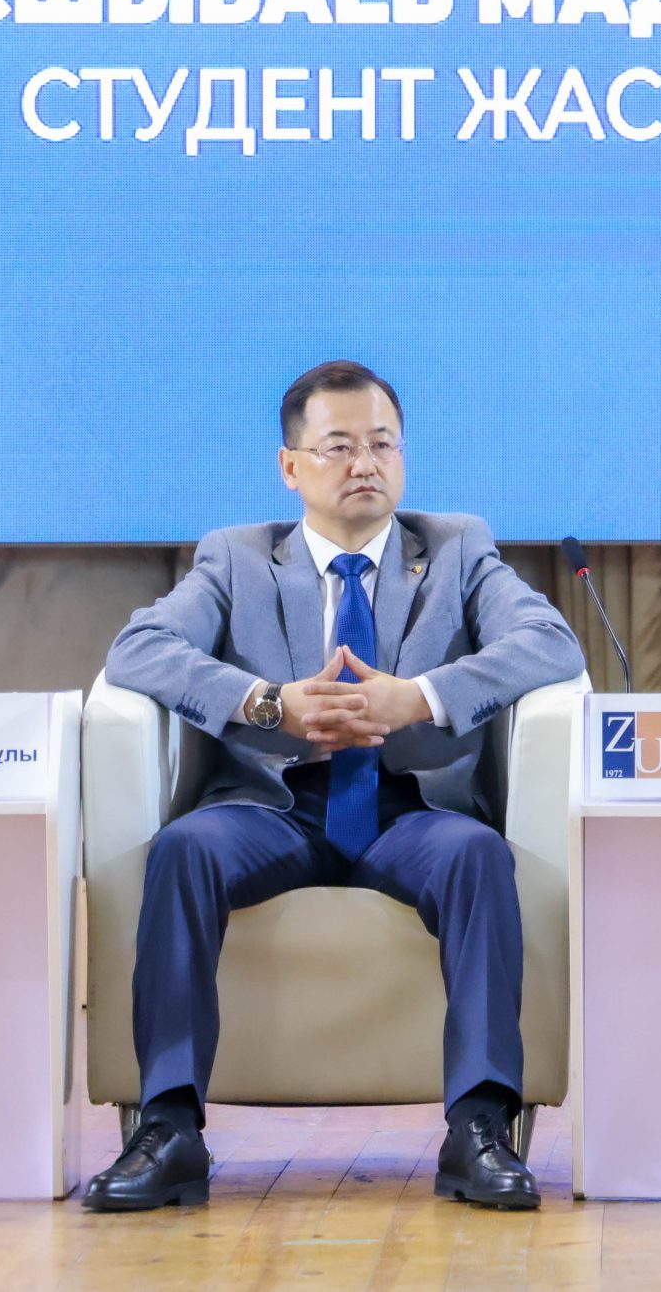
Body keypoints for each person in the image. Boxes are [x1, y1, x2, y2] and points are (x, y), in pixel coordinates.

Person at [82, 359, 586, 1213]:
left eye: (383, 444)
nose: (365, 464)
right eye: (340, 446)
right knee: (182, 852)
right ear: (291, 466)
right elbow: (138, 649)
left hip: (410, 808)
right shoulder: (237, 557)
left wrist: (417, 697)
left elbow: (549, 642)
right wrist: (269, 703)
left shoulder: (458, 548)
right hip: (274, 805)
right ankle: (167, 1129)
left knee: (478, 857)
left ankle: (479, 1128)